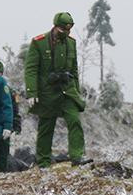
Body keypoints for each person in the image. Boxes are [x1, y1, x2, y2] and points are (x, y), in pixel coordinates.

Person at [24, 12, 88, 167]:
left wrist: (76, 92)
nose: (65, 33)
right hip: (47, 92)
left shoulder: (71, 43)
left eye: (68, 30)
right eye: (62, 30)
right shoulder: (39, 42)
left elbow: (74, 70)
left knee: (74, 121)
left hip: (67, 91)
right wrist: (31, 92)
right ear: (55, 27)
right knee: (46, 127)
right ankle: (44, 161)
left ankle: (77, 157)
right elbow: (31, 69)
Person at [0, 58, 22, 172]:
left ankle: (1, 174)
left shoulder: (9, 91)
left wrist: (16, 124)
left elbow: (14, 110)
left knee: (3, 154)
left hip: (4, 128)